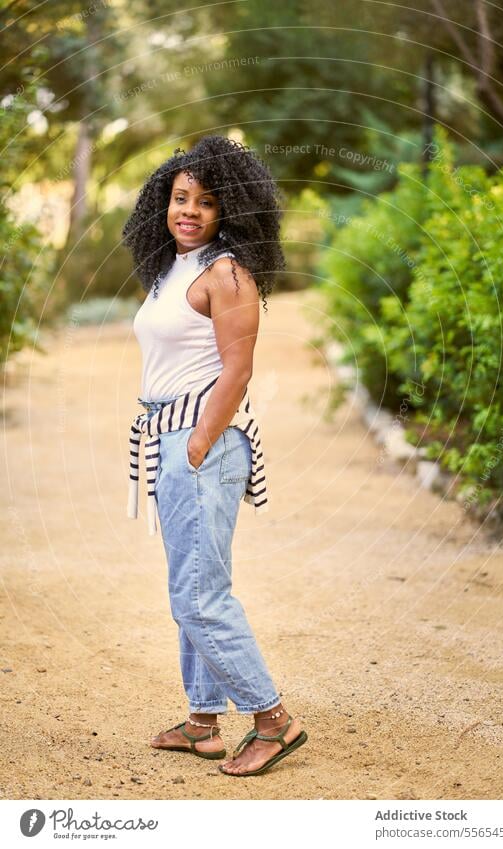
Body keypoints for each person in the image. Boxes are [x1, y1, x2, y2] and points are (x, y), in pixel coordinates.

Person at [122, 135, 308, 777]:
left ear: (229, 210)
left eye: (206, 202)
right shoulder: (172, 266)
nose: (190, 211)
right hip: (170, 436)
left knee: (199, 595)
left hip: (201, 441)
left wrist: (197, 444)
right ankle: (203, 722)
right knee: (195, 584)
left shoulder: (226, 272)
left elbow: (238, 370)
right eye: (180, 199)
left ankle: (272, 720)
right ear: (163, 204)